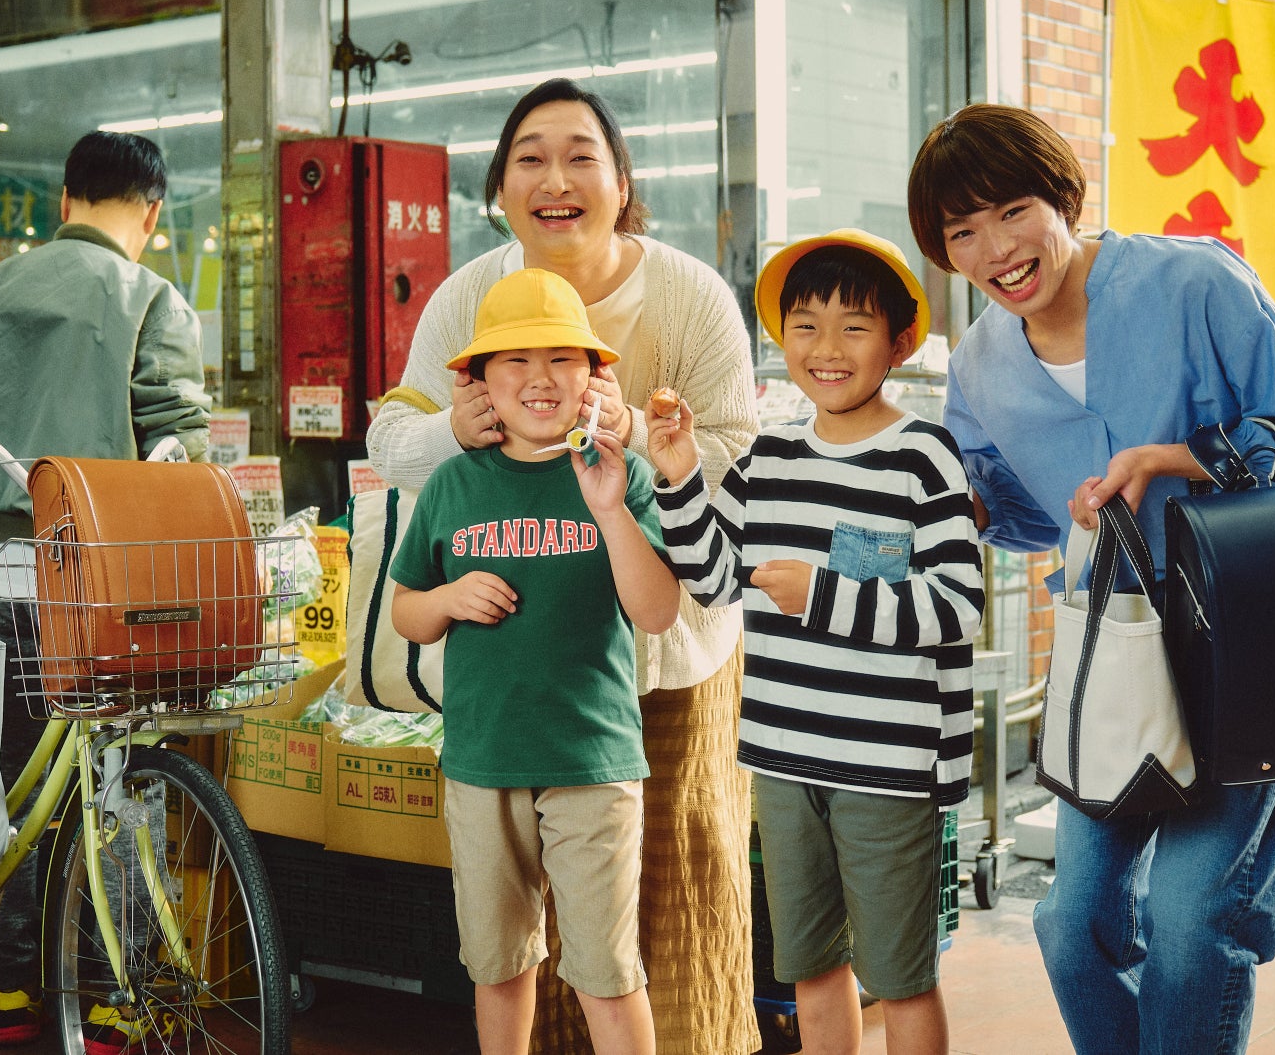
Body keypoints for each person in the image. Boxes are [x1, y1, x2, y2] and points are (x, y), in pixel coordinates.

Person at [906, 104, 1275, 1054]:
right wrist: (973, 511)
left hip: (1248, 660)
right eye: (962, 232)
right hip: (1110, 667)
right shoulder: (980, 366)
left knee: (1196, 932)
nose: (996, 249)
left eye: (1012, 209)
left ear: (1062, 195)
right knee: (1072, 929)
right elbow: (1027, 514)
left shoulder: (1195, 282)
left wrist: (1181, 456)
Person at [366, 78, 759, 1053]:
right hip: (525, 668)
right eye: (530, 156)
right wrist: (452, 434)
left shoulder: (688, 294)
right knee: (531, 935)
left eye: (582, 154)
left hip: (669, 660)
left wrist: (648, 454)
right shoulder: (469, 297)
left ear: (623, 181)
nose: (557, 177)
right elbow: (389, 431)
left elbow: (741, 447)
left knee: (675, 903)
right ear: (501, 186)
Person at [649, 229, 980, 1055]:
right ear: (781, 338)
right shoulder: (768, 458)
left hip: (888, 768)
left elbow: (956, 606)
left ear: (900, 340)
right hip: (783, 760)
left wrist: (823, 594)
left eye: (854, 326)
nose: (827, 349)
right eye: (806, 324)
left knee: (902, 975)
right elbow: (715, 575)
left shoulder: (923, 457)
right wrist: (680, 475)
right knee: (809, 965)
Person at [0, 129, 210, 1049]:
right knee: (113, 778)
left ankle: (10, 988)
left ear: (65, 198)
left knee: (12, 776)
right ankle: (116, 988)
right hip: (91, 579)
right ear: (152, 213)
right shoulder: (148, 295)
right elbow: (176, 445)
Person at [390, 267, 680, 1055]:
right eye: (514, 360)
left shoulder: (622, 476)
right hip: (483, 760)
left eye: (563, 358)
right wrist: (448, 597)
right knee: (499, 965)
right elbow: (405, 611)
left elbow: (657, 611)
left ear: (595, 377)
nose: (541, 377)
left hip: (593, 759)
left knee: (608, 973)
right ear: (478, 381)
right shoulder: (453, 484)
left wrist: (611, 507)